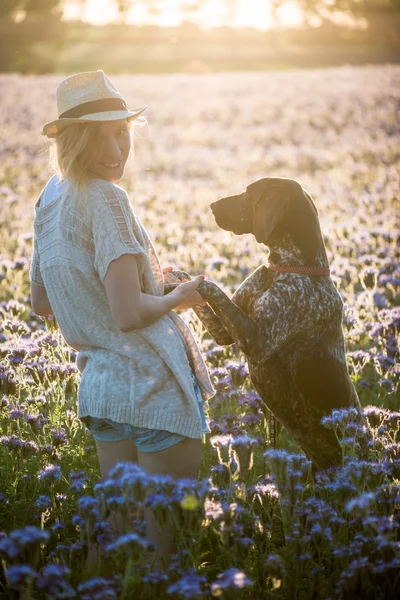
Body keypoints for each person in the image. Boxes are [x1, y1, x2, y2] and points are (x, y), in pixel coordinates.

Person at [29, 70, 215, 570]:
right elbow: (129, 313)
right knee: (162, 554)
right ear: (73, 140)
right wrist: (180, 296)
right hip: (154, 387)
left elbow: (43, 301)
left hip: (104, 390)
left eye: (122, 132)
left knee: (111, 542)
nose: (116, 149)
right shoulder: (107, 198)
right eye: (100, 136)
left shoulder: (49, 198)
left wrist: (147, 281)